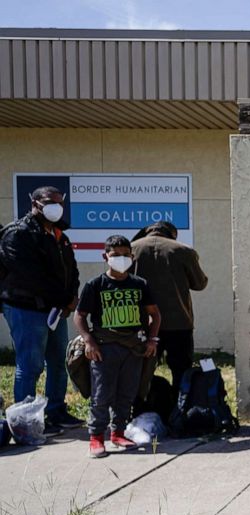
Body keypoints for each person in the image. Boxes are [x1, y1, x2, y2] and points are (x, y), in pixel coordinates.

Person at [0, 185, 81, 437]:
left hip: (55, 310)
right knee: (31, 364)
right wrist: (63, 298)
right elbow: (30, 276)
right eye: (49, 202)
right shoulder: (18, 233)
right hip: (26, 308)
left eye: (59, 201)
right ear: (35, 203)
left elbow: (72, 271)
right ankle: (24, 422)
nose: (55, 206)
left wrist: (72, 297)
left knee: (58, 362)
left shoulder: (60, 235)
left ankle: (56, 412)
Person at [74, 236, 161, 459]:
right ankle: (96, 438)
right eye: (115, 255)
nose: (121, 259)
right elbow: (80, 316)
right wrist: (88, 341)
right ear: (106, 257)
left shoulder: (140, 284)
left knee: (126, 393)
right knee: (102, 394)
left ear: (132, 257)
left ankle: (118, 433)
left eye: (125, 254)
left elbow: (155, 315)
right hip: (104, 348)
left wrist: (152, 340)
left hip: (133, 348)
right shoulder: (95, 285)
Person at [131, 221, 208, 392]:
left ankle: (140, 411)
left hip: (141, 323)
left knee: (141, 372)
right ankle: (179, 412)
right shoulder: (184, 251)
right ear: (172, 234)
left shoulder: (131, 249)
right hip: (179, 322)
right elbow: (200, 284)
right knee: (181, 371)